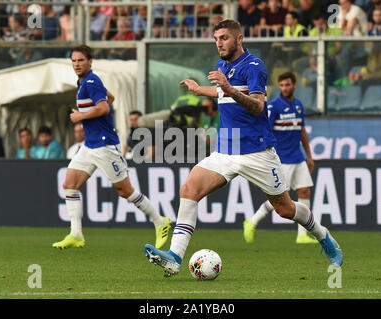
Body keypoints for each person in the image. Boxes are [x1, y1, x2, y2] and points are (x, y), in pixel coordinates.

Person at [143, 19, 343, 277]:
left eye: (224, 38)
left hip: (257, 152)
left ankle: (323, 236)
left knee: (285, 209)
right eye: (216, 39)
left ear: (239, 39)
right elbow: (221, 92)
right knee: (189, 189)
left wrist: (227, 88)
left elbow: (258, 106)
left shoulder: (254, 66)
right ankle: (175, 257)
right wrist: (201, 89)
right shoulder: (222, 65)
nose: (219, 43)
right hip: (225, 151)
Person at [52, 45, 171, 250]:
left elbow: (104, 106)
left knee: (125, 191)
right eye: (73, 61)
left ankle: (160, 221)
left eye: (81, 60)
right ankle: (76, 234)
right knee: (69, 184)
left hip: (105, 145)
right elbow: (110, 98)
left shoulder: (91, 80)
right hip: (90, 145)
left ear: (90, 62)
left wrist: (81, 116)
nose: (77, 64)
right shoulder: (84, 82)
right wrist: (95, 108)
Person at [243, 72, 318, 245]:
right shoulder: (274, 107)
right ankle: (252, 221)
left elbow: (302, 131)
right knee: (280, 200)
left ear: (294, 85)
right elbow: (265, 130)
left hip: (298, 157)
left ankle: (302, 234)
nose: (285, 88)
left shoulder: (298, 105)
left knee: (305, 191)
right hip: (282, 159)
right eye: (282, 85)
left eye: (288, 85)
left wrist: (309, 155)